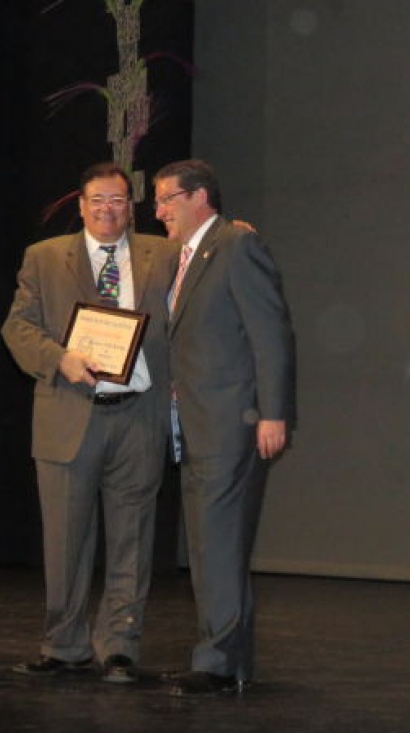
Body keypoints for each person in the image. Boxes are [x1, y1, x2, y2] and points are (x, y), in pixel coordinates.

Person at [1, 161, 176, 684]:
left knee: (133, 539)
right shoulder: (44, 257)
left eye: (119, 200)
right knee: (65, 539)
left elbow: (207, 271)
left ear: (132, 206)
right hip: (69, 414)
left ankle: (120, 646)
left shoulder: (163, 255)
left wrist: (236, 235)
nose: (108, 209)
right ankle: (64, 645)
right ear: (80, 205)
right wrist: (59, 359)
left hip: (138, 415)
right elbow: (17, 326)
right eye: (98, 199)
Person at [153, 159, 297, 696]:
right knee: (213, 545)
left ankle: (216, 662)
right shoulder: (186, 257)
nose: (159, 210)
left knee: (217, 543)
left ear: (199, 197)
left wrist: (273, 412)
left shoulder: (236, 246)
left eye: (167, 199)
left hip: (230, 421)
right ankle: (225, 660)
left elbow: (271, 333)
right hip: (195, 424)